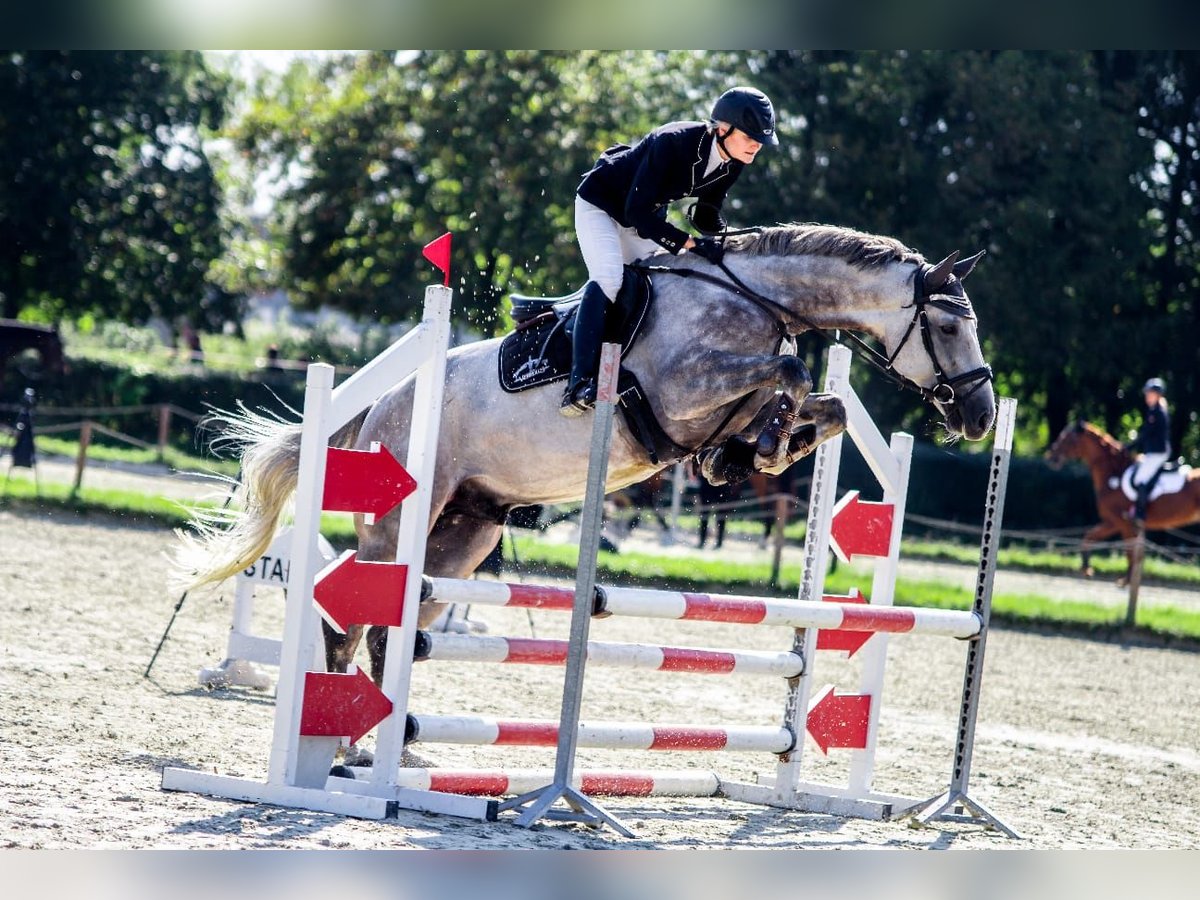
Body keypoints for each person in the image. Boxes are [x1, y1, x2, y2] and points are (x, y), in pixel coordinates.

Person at [561, 86, 779, 417]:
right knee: (609, 277)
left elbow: (707, 214)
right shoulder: (674, 141)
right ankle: (577, 385)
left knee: (656, 287)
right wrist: (689, 244)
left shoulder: (733, 162)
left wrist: (731, 239)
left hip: (642, 219)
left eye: (760, 139)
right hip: (601, 205)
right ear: (723, 128)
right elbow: (636, 212)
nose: (757, 145)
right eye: (750, 136)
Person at [1127, 377, 1171, 523]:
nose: (1147, 396)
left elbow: (1146, 433)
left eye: (1149, 393)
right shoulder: (1155, 410)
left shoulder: (1156, 412)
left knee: (1140, 479)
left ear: (1157, 395)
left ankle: (1140, 513)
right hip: (1155, 452)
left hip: (1157, 452)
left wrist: (1130, 446)